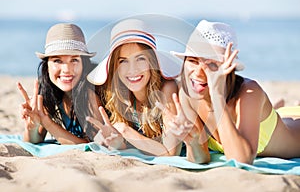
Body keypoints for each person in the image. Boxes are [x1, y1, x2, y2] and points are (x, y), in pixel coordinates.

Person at [162, 19, 300, 164]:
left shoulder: (250, 92)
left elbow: (241, 160)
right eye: (192, 61)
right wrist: (193, 142)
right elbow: (200, 158)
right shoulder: (188, 94)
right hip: (276, 118)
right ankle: (280, 107)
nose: (198, 73)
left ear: (228, 69)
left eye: (212, 64)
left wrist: (217, 95)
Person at [86, 19, 192, 158]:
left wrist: (125, 131)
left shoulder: (167, 88)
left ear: (151, 61)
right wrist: (117, 143)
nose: (132, 69)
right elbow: (131, 145)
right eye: (123, 61)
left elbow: (171, 152)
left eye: (140, 59)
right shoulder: (118, 95)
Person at [18, 23, 102, 144]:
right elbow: (35, 139)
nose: (66, 69)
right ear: (47, 66)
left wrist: (46, 122)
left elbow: (92, 145)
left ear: (84, 64)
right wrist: (32, 126)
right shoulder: (50, 92)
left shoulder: (92, 92)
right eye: (57, 60)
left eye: (74, 60)